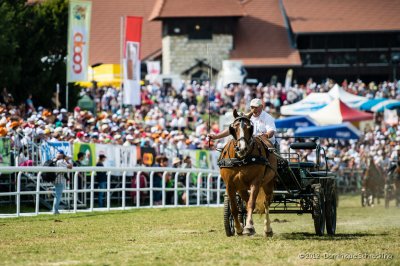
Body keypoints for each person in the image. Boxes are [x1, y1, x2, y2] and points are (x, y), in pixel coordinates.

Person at [208, 98, 276, 145]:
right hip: (251, 143)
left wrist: (266, 135)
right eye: (252, 107)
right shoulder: (245, 117)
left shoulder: (267, 117)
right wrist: (216, 136)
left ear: (261, 107)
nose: (254, 109)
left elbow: (271, 131)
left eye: (256, 107)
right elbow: (232, 129)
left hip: (265, 143)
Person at [53, 150, 73, 215]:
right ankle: (55, 211)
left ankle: (55, 210)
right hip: (59, 180)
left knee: (56, 195)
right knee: (58, 196)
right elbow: (70, 166)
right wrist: (66, 160)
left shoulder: (53, 160)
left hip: (53, 180)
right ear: (62, 155)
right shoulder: (61, 161)